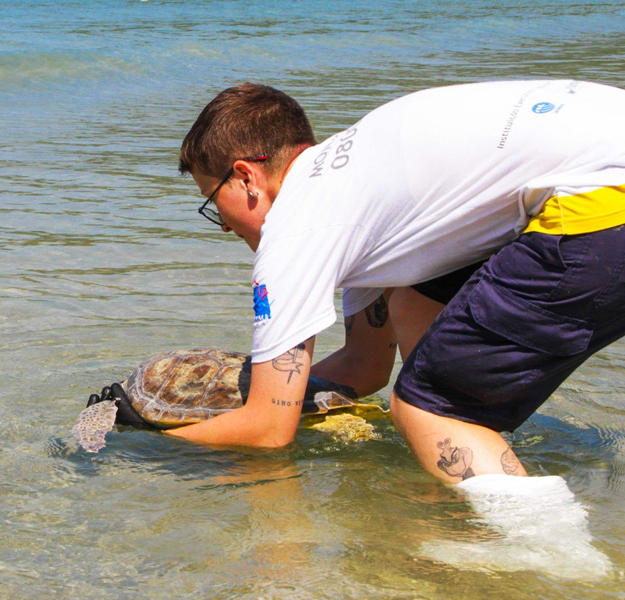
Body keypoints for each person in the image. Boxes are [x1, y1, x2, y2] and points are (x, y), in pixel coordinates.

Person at [167, 79, 625, 484]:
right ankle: (459, 474)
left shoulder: (295, 227)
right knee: (411, 303)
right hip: (599, 163)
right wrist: (251, 386)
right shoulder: (353, 187)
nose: (223, 226)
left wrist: (144, 438)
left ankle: (544, 551)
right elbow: (365, 367)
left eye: (213, 202)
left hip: (599, 200)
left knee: (432, 407)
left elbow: (268, 431)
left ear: (246, 177)